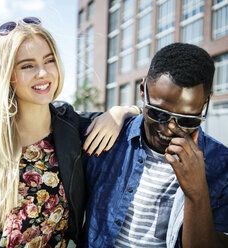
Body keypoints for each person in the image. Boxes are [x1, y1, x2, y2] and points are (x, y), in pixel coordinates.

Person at [0, 17, 139, 248]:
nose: (43, 73)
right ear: (8, 75)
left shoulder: (74, 129)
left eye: (49, 61)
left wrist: (121, 111)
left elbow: (137, 118)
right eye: (27, 65)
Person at [82, 42, 228, 248]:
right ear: (143, 90)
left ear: (205, 103)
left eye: (186, 120)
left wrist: (197, 193)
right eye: (157, 113)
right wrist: (121, 111)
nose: (168, 129)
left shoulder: (221, 165)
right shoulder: (109, 136)